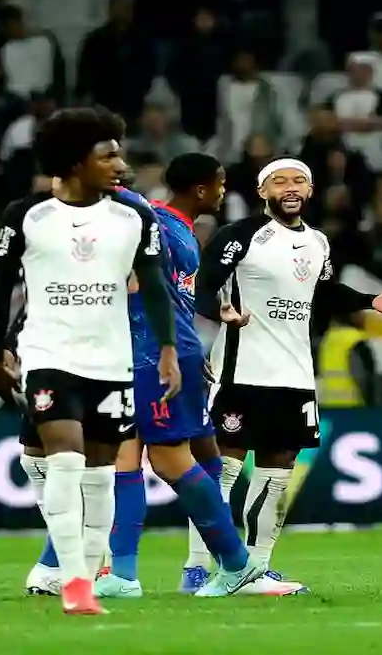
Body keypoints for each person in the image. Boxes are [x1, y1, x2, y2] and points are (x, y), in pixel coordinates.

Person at [0, 108, 189, 615]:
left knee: (100, 475)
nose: (119, 161)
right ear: (75, 162)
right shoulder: (26, 215)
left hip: (111, 360)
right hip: (49, 353)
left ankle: (87, 574)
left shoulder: (133, 217)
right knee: (65, 462)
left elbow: (156, 286)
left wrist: (166, 349)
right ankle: (73, 583)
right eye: (107, 153)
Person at [194, 157, 382, 590]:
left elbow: (323, 292)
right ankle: (212, 566)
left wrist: (373, 300)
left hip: (294, 375)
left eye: (299, 180)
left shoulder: (318, 242)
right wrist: (217, 311)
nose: (290, 187)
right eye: (279, 181)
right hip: (242, 370)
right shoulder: (240, 236)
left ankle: (255, 567)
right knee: (223, 470)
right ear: (263, 192)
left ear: (311, 190)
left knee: (278, 471)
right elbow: (203, 283)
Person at [95, 154, 268, 599]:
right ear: (202, 189)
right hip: (145, 353)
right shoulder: (169, 225)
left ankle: (235, 563)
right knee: (125, 460)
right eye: (222, 182)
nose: (225, 191)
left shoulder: (161, 224)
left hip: (156, 353)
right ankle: (124, 575)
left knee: (169, 461)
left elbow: (164, 294)